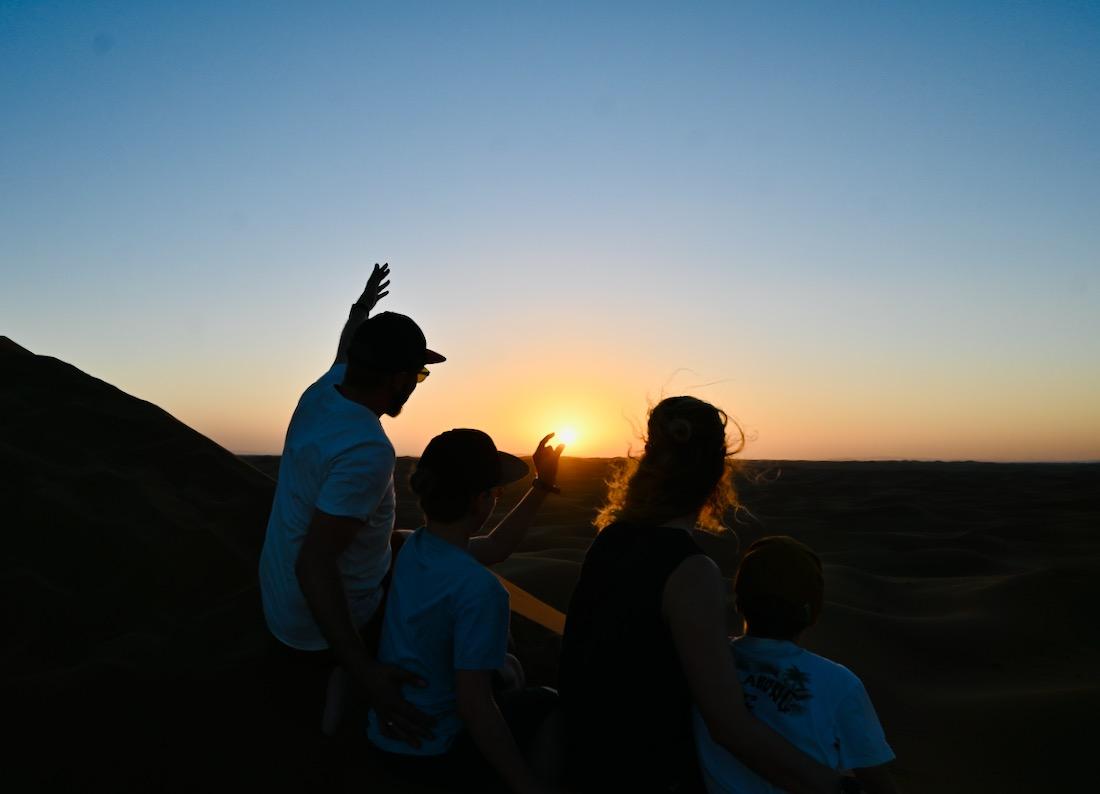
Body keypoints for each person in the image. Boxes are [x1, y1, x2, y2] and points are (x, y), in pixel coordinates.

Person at [558, 396, 850, 793]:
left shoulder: (609, 541)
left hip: (580, 761)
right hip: (644, 773)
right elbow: (728, 725)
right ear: (716, 479)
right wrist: (836, 786)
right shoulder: (690, 570)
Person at [367, 429, 564, 794]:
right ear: (482, 501)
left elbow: (496, 546)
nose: (498, 496)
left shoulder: (410, 546)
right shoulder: (480, 589)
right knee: (550, 702)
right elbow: (475, 706)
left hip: (385, 736)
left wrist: (541, 486)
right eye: (494, 490)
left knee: (510, 667)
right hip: (434, 751)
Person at [694, 536, 897, 793]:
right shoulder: (839, 684)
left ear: (739, 602)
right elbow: (877, 780)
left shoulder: (703, 660)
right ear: (812, 611)